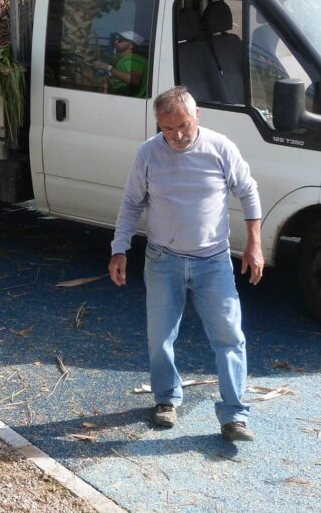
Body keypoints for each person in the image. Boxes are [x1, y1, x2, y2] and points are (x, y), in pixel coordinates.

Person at [109, 87, 263, 442]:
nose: (177, 136)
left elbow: (248, 190)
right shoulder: (147, 154)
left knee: (230, 337)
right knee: (160, 336)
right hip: (163, 259)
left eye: (183, 125)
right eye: (167, 129)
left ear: (197, 118)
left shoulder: (220, 148)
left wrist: (254, 244)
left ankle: (235, 416)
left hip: (213, 261)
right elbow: (131, 204)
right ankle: (165, 399)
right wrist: (120, 249)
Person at [92, 31, 148, 97]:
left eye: (120, 40)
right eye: (116, 39)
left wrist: (108, 67)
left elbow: (134, 80)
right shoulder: (126, 60)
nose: (116, 42)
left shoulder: (134, 59)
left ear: (131, 45)